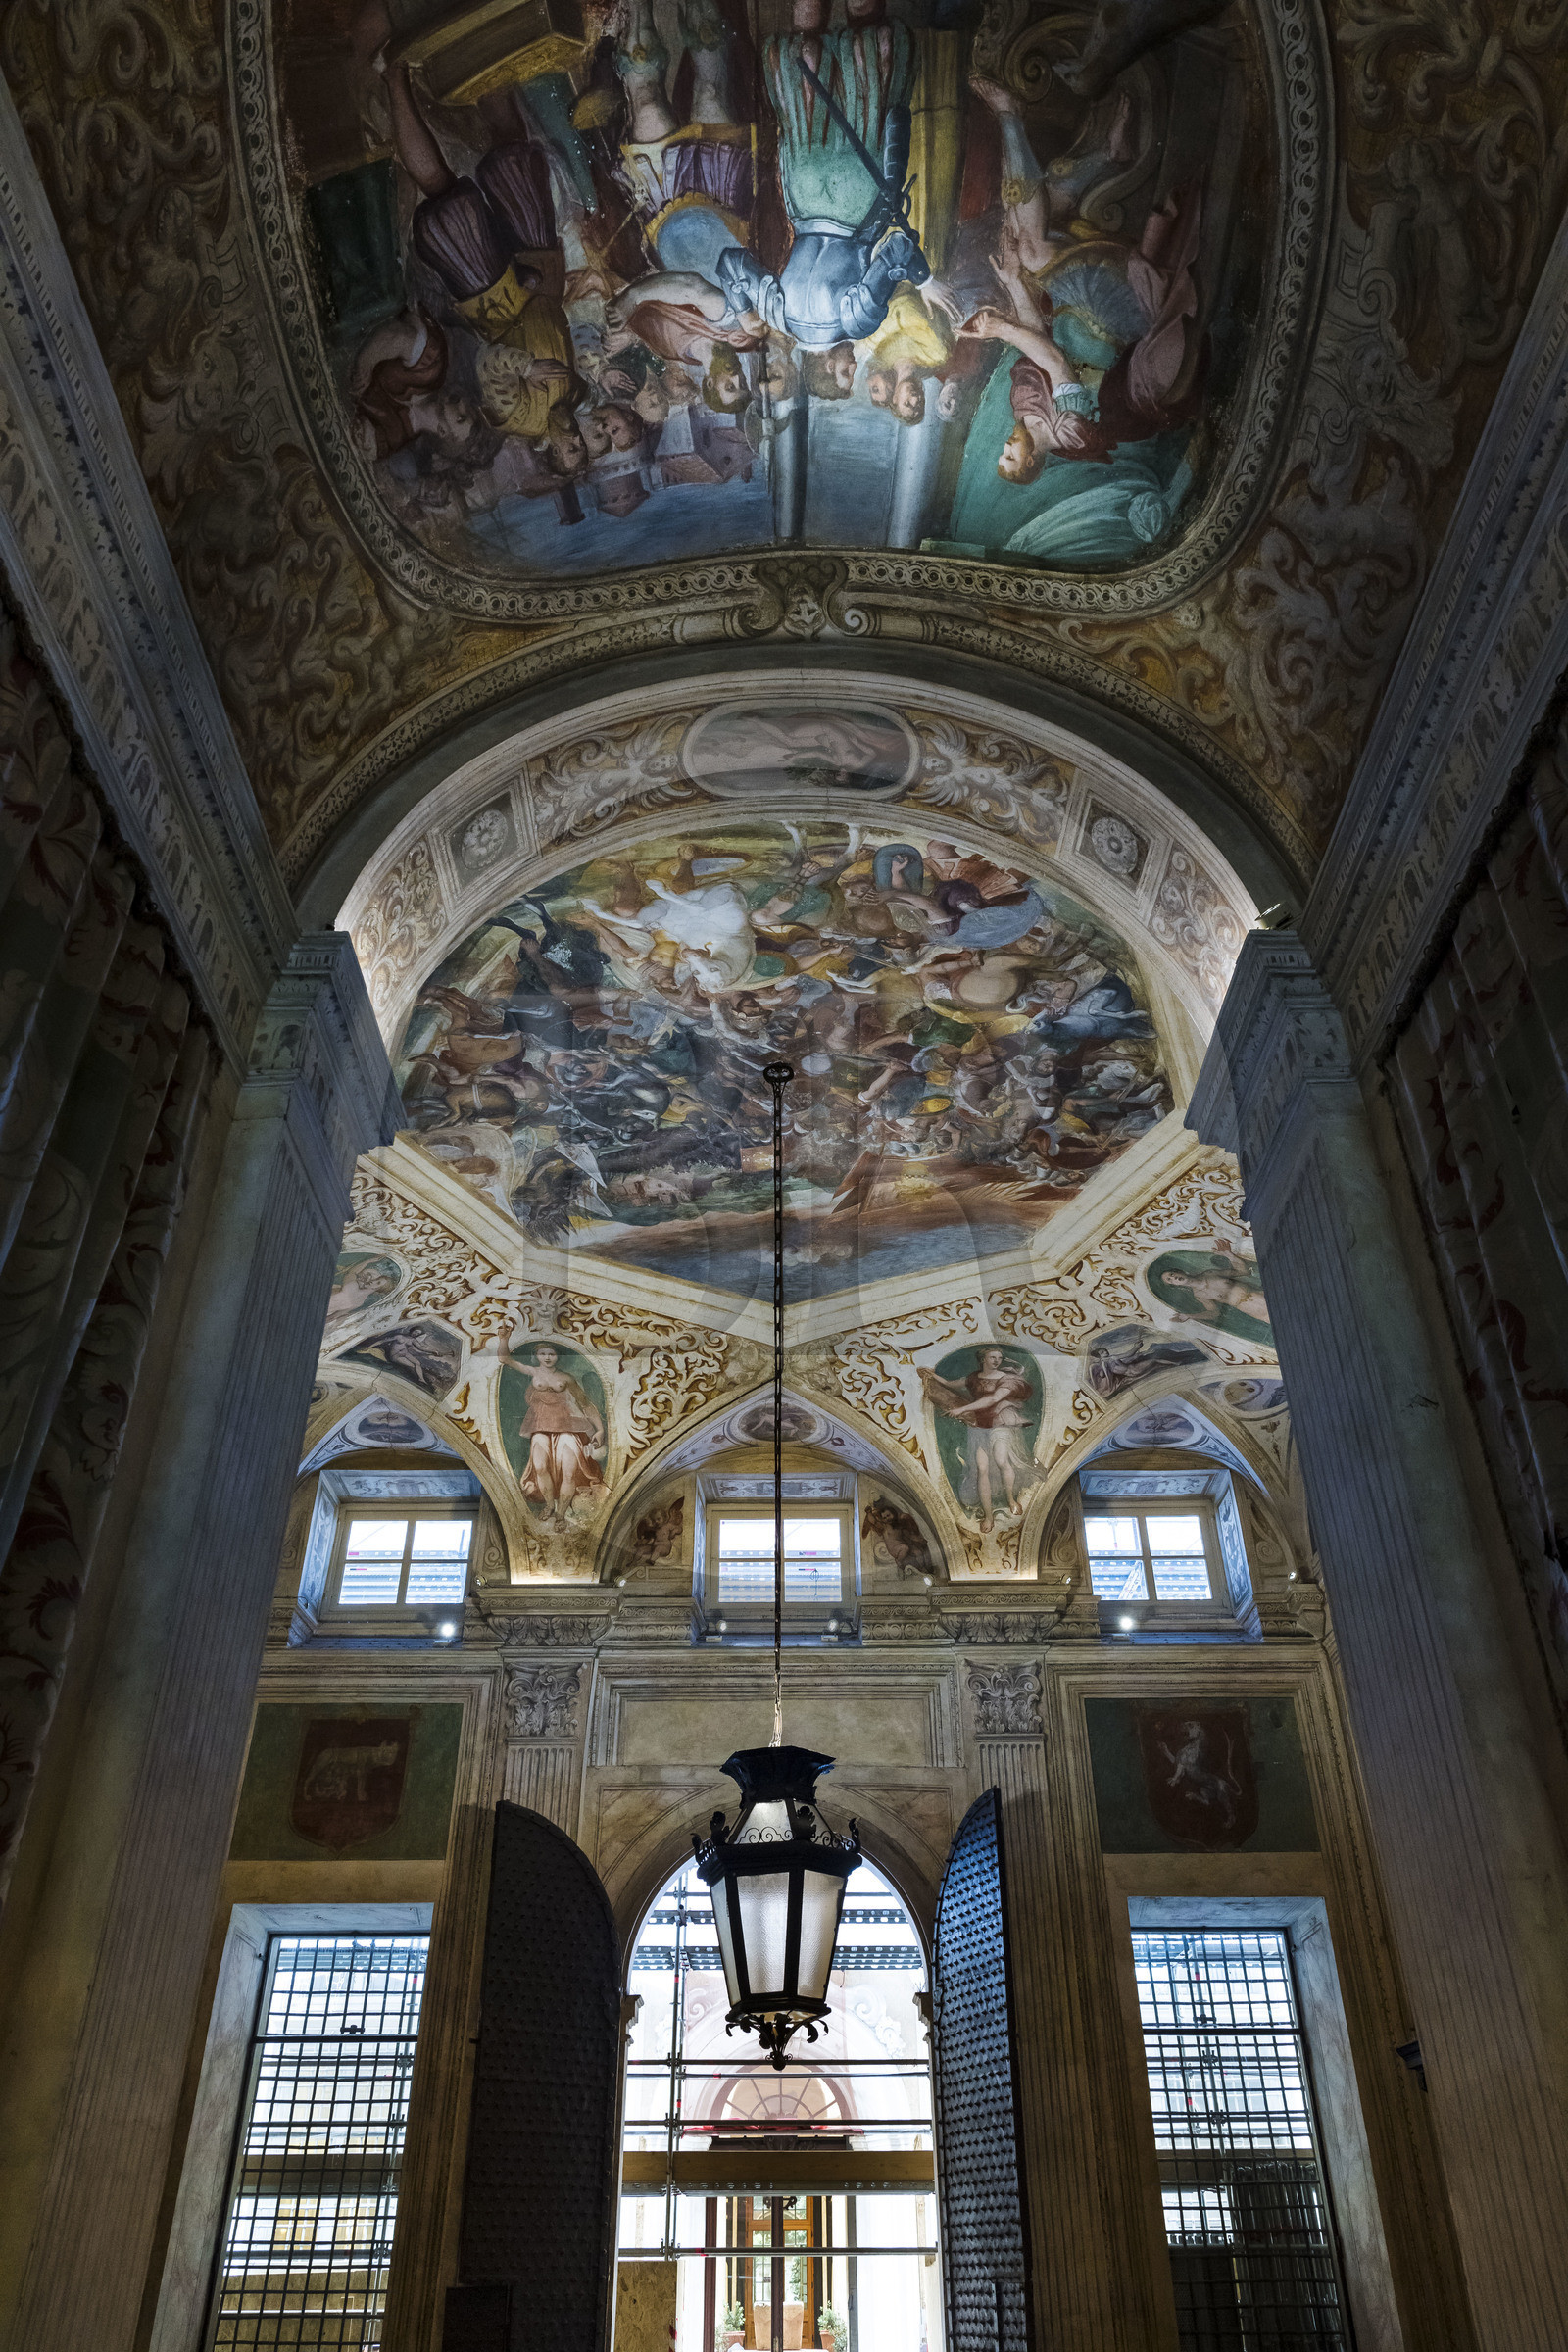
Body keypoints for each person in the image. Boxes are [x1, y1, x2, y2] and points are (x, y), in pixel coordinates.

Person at [715, 0, 929, 351]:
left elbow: (899, 250)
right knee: (807, 49)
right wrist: (743, 313)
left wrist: (926, 280)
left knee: (871, 48)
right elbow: (730, 264)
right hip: (805, 189)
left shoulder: (856, 325)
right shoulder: (777, 316)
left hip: (856, 198)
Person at [385, 60, 579, 441]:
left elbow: (488, 364)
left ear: (550, 451)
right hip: (541, 274)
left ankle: (393, 78)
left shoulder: (520, 421)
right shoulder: (573, 395)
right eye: (582, 444)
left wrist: (526, 370)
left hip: (495, 300)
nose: (577, 439)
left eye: (571, 451)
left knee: (444, 194)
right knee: (514, 155)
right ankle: (475, 43)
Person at [920, 1348, 1040, 1530]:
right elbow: (950, 1384)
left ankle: (1011, 1499)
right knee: (981, 1468)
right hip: (978, 1424)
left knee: (1001, 1460)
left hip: (1000, 1420)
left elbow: (993, 1399)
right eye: (992, 1357)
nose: (996, 1361)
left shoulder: (1007, 1379)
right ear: (983, 1359)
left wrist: (961, 1410)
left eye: (999, 1358)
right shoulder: (974, 1378)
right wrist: (931, 1375)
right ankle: (988, 1515)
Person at [512, 1346, 606, 1525]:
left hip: (567, 1428)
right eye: (542, 1353)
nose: (547, 1358)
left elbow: (584, 1403)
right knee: (539, 1467)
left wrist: (600, 1429)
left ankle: (561, 1514)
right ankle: (549, 1506)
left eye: (551, 1354)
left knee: (568, 1472)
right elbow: (504, 1359)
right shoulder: (533, 1372)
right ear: (536, 1355)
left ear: (557, 1356)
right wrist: (503, 1338)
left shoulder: (566, 1378)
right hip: (540, 1427)